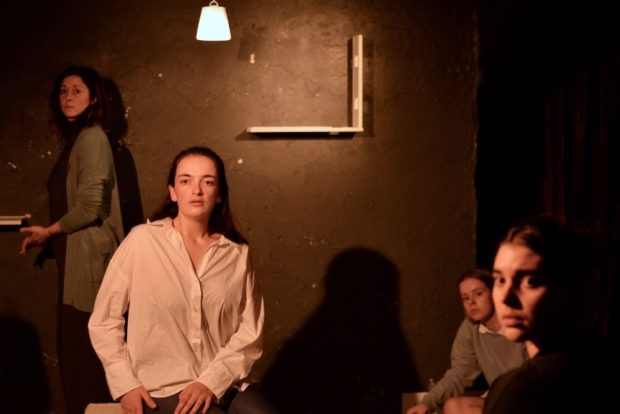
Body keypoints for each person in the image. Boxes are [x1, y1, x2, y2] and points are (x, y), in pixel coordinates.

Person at [88, 147, 278, 414]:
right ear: (173, 192)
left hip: (221, 383)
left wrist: (211, 382)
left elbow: (250, 333)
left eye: (208, 181)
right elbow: (104, 321)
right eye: (186, 180)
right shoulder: (143, 241)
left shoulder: (236, 254)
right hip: (161, 387)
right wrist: (125, 385)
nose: (197, 190)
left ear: (220, 194)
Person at [19, 65, 124, 414]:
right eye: (63, 90)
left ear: (94, 97)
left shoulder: (92, 137)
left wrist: (49, 231)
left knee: (90, 360)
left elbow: (92, 205)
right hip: (78, 262)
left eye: (77, 90)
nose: (68, 97)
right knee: (82, 358)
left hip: (92, 266)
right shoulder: (80, 139)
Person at [484, 215, 616, 414]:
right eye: (500, 280)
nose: (505, 298)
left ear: (569, 288)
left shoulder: (522, 389)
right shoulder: (605, 355)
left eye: (530, 281)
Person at [407, 269, 526, 414]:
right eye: (465, 298)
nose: (471, 302)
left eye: (478, 294)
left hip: (530, 399)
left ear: (494, 293)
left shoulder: (518, 322)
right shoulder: (470, 329)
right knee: (453, 406)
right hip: (500, 401)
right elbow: (459, 374)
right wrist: (426, 404)